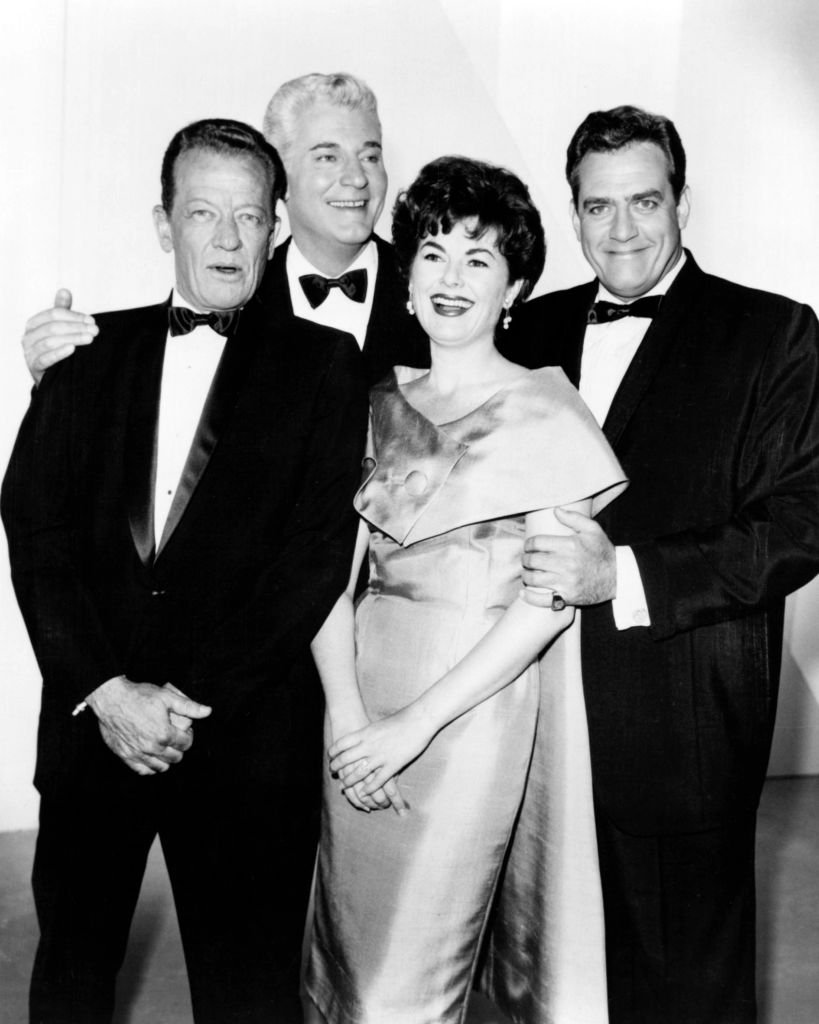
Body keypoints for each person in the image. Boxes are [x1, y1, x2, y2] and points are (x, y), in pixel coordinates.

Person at [2, 118, 367, 1024]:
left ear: (278, 225)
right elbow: (33, 527)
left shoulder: (324, 364)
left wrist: (186, 699)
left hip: (243, 744)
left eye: (249, 216)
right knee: (72, 983)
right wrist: (104, 688)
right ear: (163, 223)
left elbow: (314, 556)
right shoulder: (83, 355)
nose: (229, 239)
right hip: (94, 735)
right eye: (203, 214)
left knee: (248, 998)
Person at [483, 106, 819, 1024]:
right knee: (542, 982)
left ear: (680, 202)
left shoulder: (772, 333)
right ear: (573, 211)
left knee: (686, 988)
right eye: (598, 207)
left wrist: (624, 574)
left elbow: (798, 522)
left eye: (643, 202)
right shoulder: (527, 328)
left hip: (682, 721)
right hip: (529, 717)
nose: (621, 229)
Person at [303, 155, 627, 1024]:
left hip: (471, 718)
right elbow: (322, 581)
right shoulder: (365, 401)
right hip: (357, 705)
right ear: (404, 276)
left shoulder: (549, 412)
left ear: (514, 288)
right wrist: (348, 719)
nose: (452, 278)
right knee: (342, 968)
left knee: (405, 983)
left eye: (479, 260)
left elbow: (544, 602)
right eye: (434, 252)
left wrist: (415, 723)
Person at [21, 72, 427, 389]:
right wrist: (57, 380)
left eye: (370, 156)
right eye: (327, 157)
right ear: (277, 177)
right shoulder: (223, 288)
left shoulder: (437, 290)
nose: (357, 178)